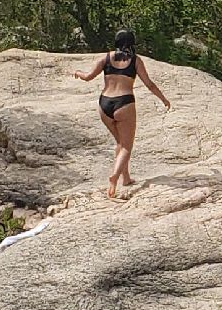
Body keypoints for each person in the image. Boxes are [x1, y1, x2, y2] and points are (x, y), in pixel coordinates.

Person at [72, 30, 171, 199]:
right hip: (123, 103)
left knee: (119, 141)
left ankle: (126, 178)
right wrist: (164, 99)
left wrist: (78, 73)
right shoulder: (135, 60)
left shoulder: (106, 57)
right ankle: (115, 176)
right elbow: (149, 84)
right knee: (126, 146)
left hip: (104, 104)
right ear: (132, 43)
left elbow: (88, 76)